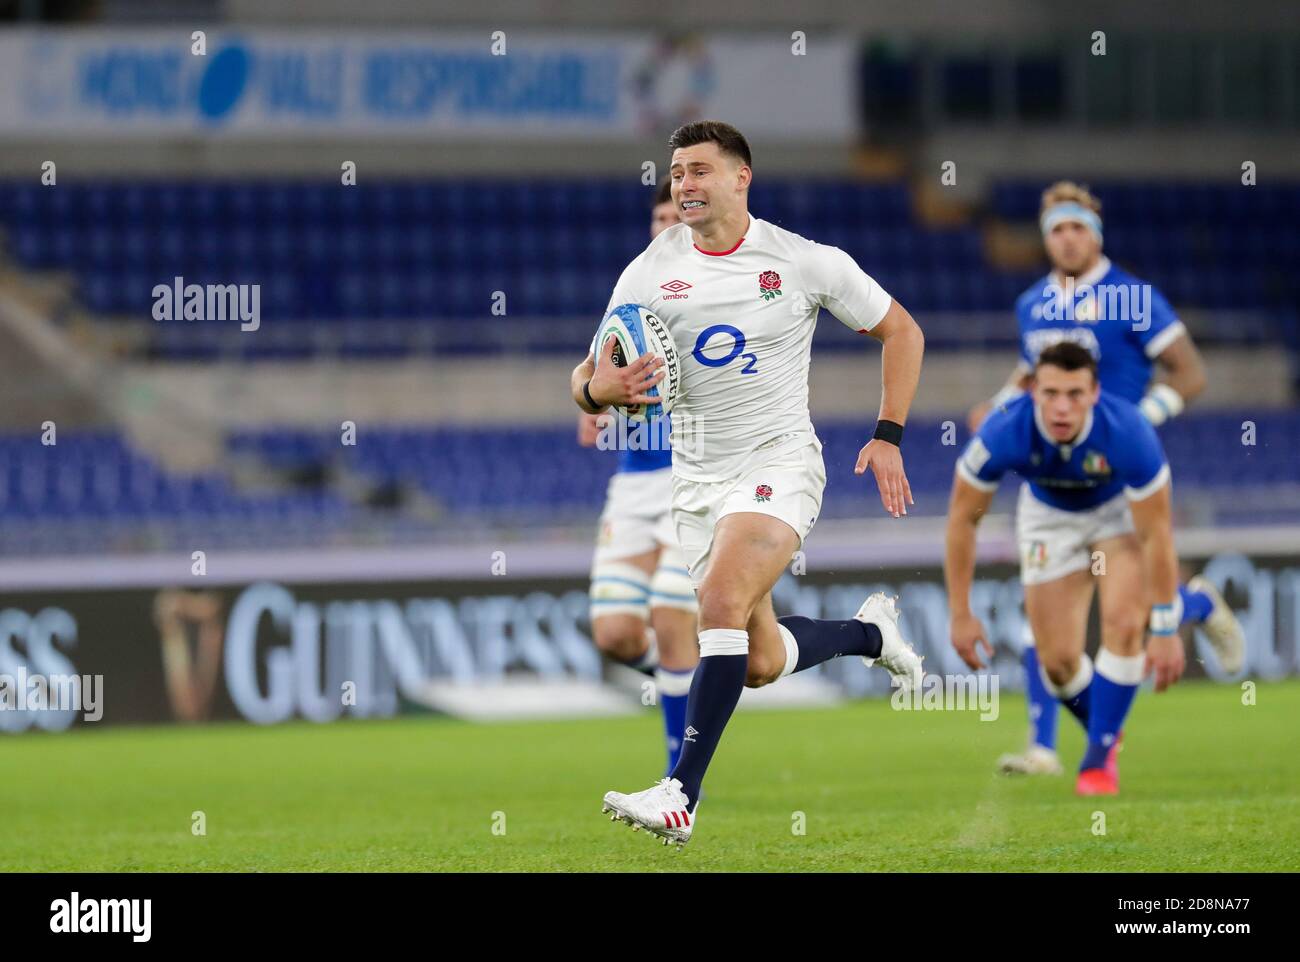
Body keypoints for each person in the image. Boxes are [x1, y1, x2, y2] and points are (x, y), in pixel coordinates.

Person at [569, 120, 926, 848]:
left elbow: (903, 331)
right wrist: (596, 390)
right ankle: (871, 633)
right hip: (697, 482)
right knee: (757, 661)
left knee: (718, 601)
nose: (685, 184)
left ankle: (680, 794)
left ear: (741, 178)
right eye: (677, 172)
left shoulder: (801, 261)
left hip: (779, 462)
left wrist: (888, 435)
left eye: (700, 170)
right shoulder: (647, 271)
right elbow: (587, 377)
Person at [967, 181, 1244, 776]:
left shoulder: (1134, 298)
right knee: (1049, 624)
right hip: (1053, 473)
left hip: (1119, 473)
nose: (1067, 239)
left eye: (1077, 228)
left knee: (1125, 621)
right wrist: (994, 406)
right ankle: (1051, 747)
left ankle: (1188, 608)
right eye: (1056, 231)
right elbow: (1031, 372)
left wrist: (1147, 415)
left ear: (1095, 234)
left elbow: (1190, 372)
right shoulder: (1031, 304)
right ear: (1046, 240)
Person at [946, 342, 1241, 795]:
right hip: (1048, 519)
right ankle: (1195, 604)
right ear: (1031, 392)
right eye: (1050, 393)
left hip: (1117, 514)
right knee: (1058, 665)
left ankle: (1097, 763)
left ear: (1095, 393)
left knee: (1126, 623)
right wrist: (961, 613)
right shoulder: (1002, 430)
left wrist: (1163, 632)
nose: (1062, 407)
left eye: (1075, 394)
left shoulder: (1130, 432)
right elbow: (964, 519)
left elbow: (1155, 534)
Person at [579, 176, 698, 776]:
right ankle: (694, 685)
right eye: (658, 218)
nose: (665, 227)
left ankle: (679, 778)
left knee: (674, 616)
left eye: (675, 216)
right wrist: (596, 398)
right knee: (617, 634)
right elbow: (592, 376)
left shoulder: (711, 294)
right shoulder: (631, 297)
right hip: (633, 481)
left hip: (692, 477)